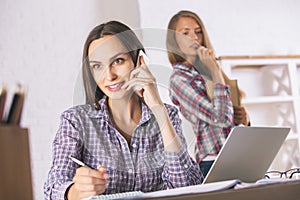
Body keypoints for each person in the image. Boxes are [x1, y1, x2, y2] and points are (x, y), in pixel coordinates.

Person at [44, 20, 202, 200]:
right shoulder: (75, 121)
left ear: (139, 61)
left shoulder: (168, 115)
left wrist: (158, 107)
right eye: (97, 66)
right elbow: (53, 187)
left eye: (118, 61)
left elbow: (186, 187)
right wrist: (77, 191)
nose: (109, 76)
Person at [166, 10, 250, 177]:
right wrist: (214, 69)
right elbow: (221, 119)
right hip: (213, 161)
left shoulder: (205, 70)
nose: (195, 37)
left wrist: (244, 120)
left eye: (198, 32)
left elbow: (231, 115)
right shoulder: (179, 78)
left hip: (240, 156)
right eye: (185, 33)